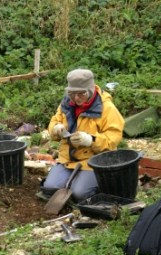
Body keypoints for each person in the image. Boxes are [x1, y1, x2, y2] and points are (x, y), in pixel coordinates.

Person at [39, 69, 124, 202]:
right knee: (51, 188)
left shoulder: (106, 108)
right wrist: (56, 128)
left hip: (93, 161)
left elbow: (114, 138)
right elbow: (54, 121)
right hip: (68, 159)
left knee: (79, 194)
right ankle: (74, 181)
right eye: (72, 94)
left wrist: (91, 140)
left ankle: (104, 184)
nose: (76, 98)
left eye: (81, 94)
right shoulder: (66, 104)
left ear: (90, 90)